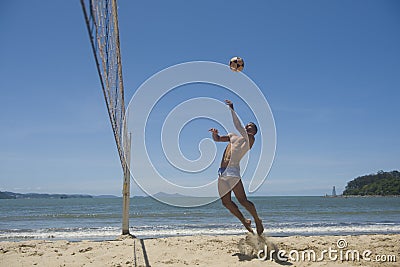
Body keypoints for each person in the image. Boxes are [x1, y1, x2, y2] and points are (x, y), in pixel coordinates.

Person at [209, 100, 264, 235]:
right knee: (226, 202)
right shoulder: (233, 136)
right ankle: (245, 221)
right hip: (221, 172)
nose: (248, 127)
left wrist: (232, 110)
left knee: (242, 201)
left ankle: (257, 220)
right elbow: (218, 139)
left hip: (233, 171)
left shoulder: (249, 140)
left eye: (251, 127)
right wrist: (215, 134)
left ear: (254, 132)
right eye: (248, 125)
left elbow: (238, 125)